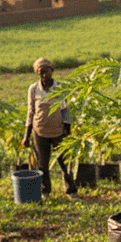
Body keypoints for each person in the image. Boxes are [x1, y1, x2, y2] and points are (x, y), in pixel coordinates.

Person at [23, 57, 78, 199]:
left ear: (52, 71)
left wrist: (68, 131)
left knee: (65, 162)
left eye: (46, 71)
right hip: (39, 131)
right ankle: (45, 191)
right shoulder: (34, 89)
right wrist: (26, 135)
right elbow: (30, 111)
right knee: (43, 164)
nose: (44, 75)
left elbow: (66, 110)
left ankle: (71, 191)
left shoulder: (60, 88)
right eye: (40, 72)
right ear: (37, 73)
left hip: (59, 131)